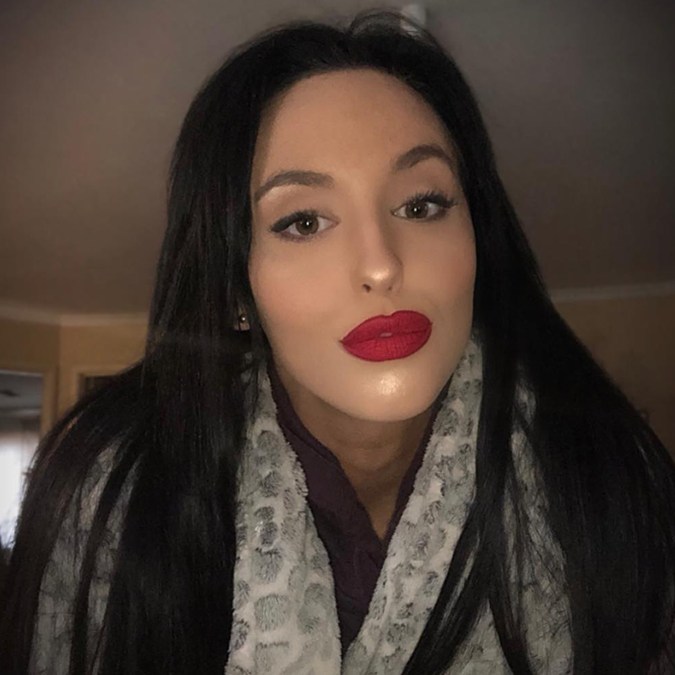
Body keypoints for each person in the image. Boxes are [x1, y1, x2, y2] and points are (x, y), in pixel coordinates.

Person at [1, 9, 674, 674]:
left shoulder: (609, 477)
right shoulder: (111, 495)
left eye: (421, 205)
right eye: (302, 221)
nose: (381, 264)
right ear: (235, 291)